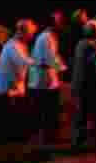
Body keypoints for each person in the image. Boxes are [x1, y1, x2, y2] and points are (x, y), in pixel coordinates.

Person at [0, 20, 39, 142]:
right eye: (30, 33)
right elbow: (23, 61)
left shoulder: (20, 44)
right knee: (10, 120)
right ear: (22, 32)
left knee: (16, 118)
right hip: (5, 89)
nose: (32, 36)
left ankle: (16, 138)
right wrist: (41, 62)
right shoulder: (12, 46)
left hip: (13, 88)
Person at [28, 11, 68, 146]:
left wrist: (61, 66)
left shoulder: (50, 36)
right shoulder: (46, 37)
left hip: (47, 78)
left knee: (49, 109)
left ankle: (49, 136)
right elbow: (51, 58)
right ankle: (46, 138)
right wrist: (64, 70)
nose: (61, 24)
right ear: (52, 23)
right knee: (47, 109)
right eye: (58, 21)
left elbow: (54, 57)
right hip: (43, 79)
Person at [71, 21, 96, 149]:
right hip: (91, 84)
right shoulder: (91, 46)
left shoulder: (79, 44)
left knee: (81, 113)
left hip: (79, 83)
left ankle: (78, 141)